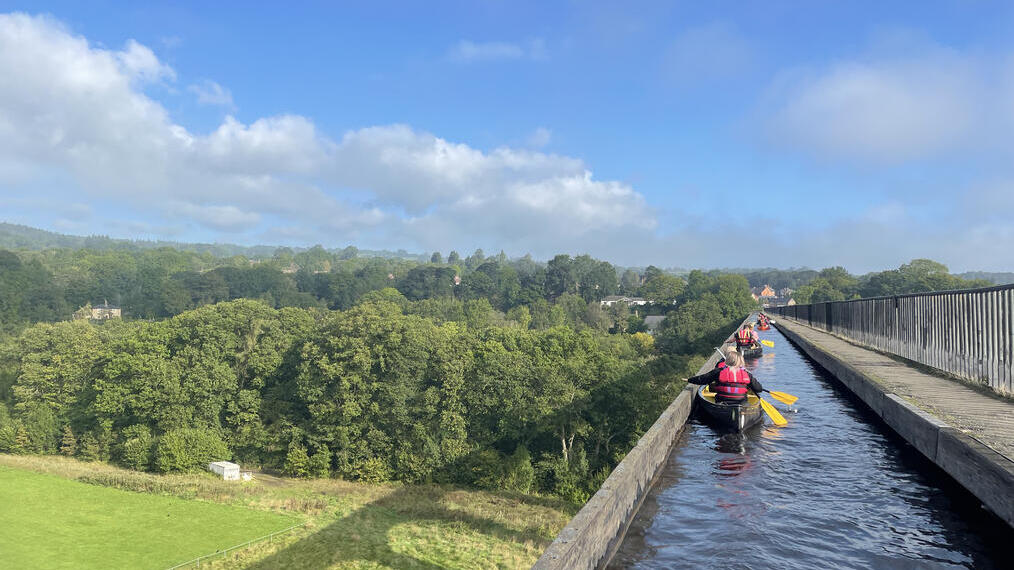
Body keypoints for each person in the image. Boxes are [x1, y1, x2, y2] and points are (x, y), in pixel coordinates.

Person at [686, 350, 765, 403]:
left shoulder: (718, 371)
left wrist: (690, 380)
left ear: (727, 360)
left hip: (722, 401)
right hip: (740, 402)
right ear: (741, 361)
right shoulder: (747, 374)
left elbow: (702, 379)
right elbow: (758, 389)